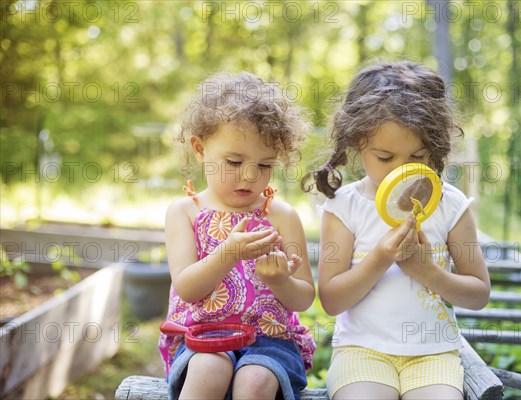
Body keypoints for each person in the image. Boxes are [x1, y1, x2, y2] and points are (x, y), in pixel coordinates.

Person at [302, 61, 491, 400]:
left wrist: (426, 271)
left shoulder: (449, 203)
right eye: (386, 158)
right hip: (362, 351)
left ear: (434, 147)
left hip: (433, 354)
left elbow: (478, 294)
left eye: (417, 156)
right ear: (358, 144)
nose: (401, 172)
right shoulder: (345, 206)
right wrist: (381, 257)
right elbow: (331, 300)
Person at [159, 71, 316, 400]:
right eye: (234, 161)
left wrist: (279, 281)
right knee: (208, 370)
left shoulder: (282, 216)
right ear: (200, 149)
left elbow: (304, 297)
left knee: (255, 381)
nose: (249, 176)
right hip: (201, 336)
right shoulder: (185, 211)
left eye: (264, 165)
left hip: (270, 341)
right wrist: (228, 253)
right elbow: (187, 288)